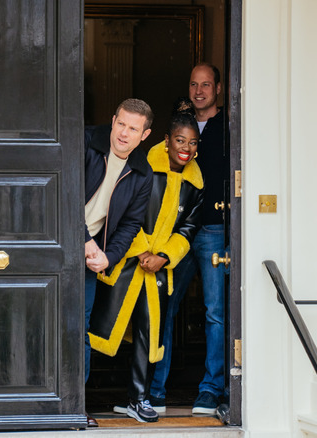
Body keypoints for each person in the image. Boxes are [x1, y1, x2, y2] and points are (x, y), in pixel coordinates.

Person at [89, 103, 204, 423]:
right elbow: (124, 210)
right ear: (166, 140)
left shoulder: (195, 185)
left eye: (193, 143)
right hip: (124, 260)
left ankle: (138, 398)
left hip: (157, 270)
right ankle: (80, 396)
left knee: (147, 331)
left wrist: (164, 256)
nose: (186, 149)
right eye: (180, 140)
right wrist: (140, 251)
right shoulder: (142, 165)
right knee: (97, 325)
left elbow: (188, 228)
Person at [149, 63, 230, 416]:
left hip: (213, 229)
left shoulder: (230, 125)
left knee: (215, 313)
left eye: (206, 85)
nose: (200, 91)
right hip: (174, 234)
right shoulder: (174, 129)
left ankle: (211, 390)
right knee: (164, 309)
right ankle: (154, 391)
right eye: (194, 85)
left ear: (219, 88)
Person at [84, 98, 154, 427]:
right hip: (58, 243)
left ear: (145, 135)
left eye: (134, 129)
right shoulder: (85, 143)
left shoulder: (142, 172)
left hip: (91, 255)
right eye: (121, 124)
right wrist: (85, 240)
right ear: (112, 121)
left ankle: (73, 402)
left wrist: (108, 257)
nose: (124, 133)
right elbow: (63, 194)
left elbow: (130, 225)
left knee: (78, 329)